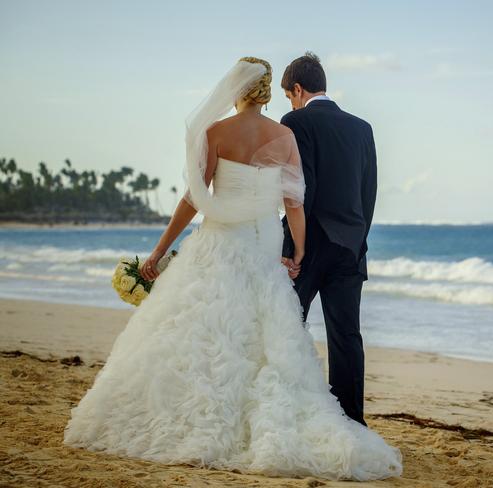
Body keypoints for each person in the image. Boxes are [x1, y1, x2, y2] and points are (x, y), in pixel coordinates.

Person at [62, 56, 402, 481]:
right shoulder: (334, 130)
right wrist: (326, 244)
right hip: (323, 246)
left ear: (242, 90)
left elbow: (200, 198)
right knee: (301, 334)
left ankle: (206, 411)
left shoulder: (235, 131)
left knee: (228, 329)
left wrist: (160, 252)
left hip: (249, 242)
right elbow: (338, 197)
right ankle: (350, 421)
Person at [279, 52, 377, 427]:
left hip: (310, 245)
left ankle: (288, 414)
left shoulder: (296, 121)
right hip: (351, 247)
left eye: (290, 95)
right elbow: (368, 193)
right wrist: (358, 241)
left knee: (289, 328)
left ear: (298, 89)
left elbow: (301, 190)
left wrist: (292, 248)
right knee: (346, 337)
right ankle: (351, 423)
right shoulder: (362, 128)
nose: (290, 102)